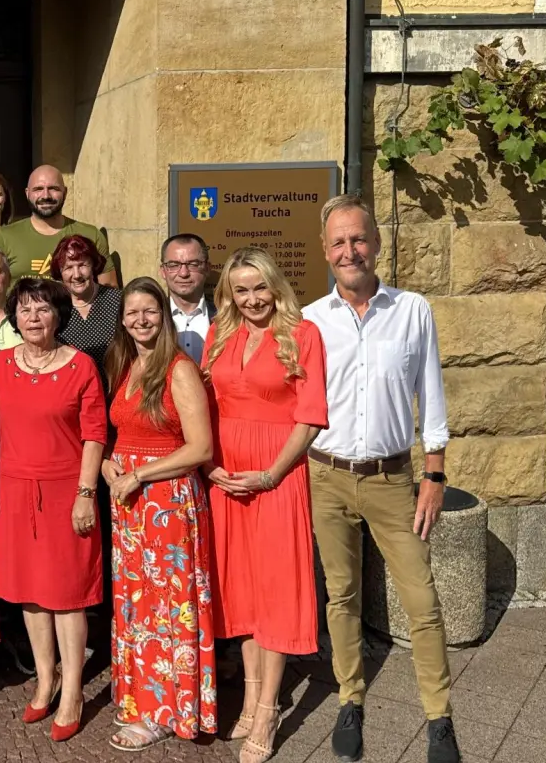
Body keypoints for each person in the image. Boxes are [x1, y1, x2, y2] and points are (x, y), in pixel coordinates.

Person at [302, 195, 461, 763]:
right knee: (341, 595)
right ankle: (350, 696)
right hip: (326, 477)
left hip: (393, 479)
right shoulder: (310, 321)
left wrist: (435, 472)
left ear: (376, 243)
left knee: (422, 597)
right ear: (326, 251)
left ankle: (438, 717)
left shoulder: (412, 310)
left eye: (359, 238)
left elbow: (432, 395)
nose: (351, 250)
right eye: (339, 242)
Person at [202, 247, 327, 763]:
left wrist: (273, 472)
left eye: (260, 288)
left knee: (274, 591)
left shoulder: (303, 336)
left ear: (275, 286)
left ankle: (270, 707)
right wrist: (209, 466)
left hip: (276, 477)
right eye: (241, 290)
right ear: (229, 294)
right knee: (243, 593)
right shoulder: (219, 335)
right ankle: (252, 700)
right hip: (227, 478)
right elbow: (203, 407)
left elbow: (311, 415)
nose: (252, 299)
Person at [0, 277, 108, 743]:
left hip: (66, 490)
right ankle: (46, 677)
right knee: (31, 593)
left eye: (42, 309)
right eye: (24, 310)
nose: (33, 318)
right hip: (14, 492)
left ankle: (75, 691)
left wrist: (85, 492)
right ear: (14, 318)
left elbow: (95, 432)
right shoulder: (0, 365)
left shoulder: (81, 366)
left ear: (58, 314)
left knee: (68, 594)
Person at [102, 277, 217, 751]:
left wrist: (140, 474)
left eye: (149, 311)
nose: (140, 320)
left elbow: (201, 446)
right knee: (136, 603)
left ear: (163, 315)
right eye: (132, 313)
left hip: (167, 502)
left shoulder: (178, 368)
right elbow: (123, 429)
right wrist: (111, 461)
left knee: (168, 606)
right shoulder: (126, 364)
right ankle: (141, 699)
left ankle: (169, 710)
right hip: (130, 502)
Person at [0, 165, 112, 286]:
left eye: (53, 188)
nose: (46, 196)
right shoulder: (4, 237)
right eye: (38, 189)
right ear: (27, 193)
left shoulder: (90, 235)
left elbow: (109, 290)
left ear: (65, 192)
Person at [52, 234, 122, 371]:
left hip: (115, 387)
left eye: (82, 265)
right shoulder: (54, 307)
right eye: (69, 267)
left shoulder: (117, 301)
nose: (77, 275)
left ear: (94, 265)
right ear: (60, 272)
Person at [160, 234, 215, 365]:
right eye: (173, 265)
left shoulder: (225, 316)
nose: (183, 273)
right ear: (163, 271)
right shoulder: (153, 317)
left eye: (193, 264)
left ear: (207, 268)